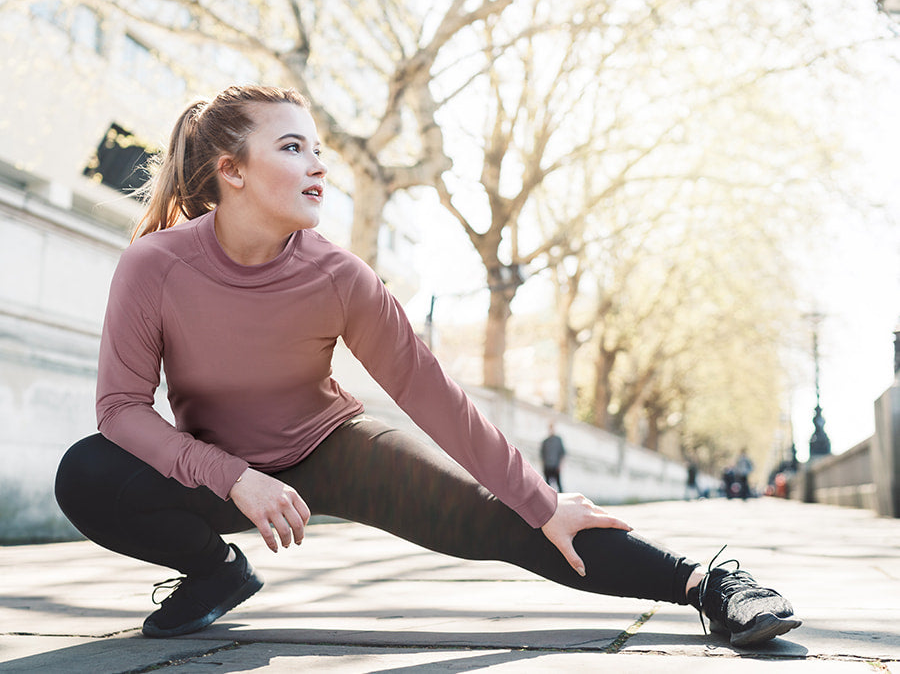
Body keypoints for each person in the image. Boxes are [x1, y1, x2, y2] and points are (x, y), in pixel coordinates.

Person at [54, 85, 800, 647]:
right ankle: (214, 570)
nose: (318, 165)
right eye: (292, 148)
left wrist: (539, 501)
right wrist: (231, 476)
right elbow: (120, 408)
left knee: (510, 524)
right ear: (231, 170)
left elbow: (433, 395)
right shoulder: (155, 266)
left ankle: (707, 585)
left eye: (319, 148)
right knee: (86, 473)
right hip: (222, 472)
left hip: (330, 450)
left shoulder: (339, 277)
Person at [540, 422, 566, 491]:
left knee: (559, 486)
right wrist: (543, 466)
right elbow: (542, 455)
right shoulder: (545, 441)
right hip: (547, 466)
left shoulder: (558, 440)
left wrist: (560, 465)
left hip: (556, 466)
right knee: (547, 486)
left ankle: (562, 500)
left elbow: (562, 453)